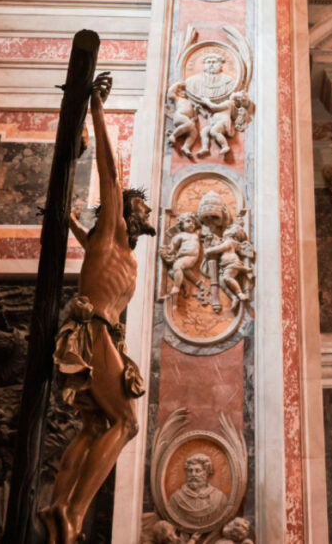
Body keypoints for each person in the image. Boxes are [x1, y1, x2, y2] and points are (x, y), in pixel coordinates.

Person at [42, 72, 156, 544]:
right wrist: (96, 108)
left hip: (103, 335)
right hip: (94, 333)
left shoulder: (112, 248)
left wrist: (65, 218)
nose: (149, 217)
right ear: (127, 211)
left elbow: (77, 233)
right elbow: (110, 173)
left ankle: (58, 508)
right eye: (143, 210)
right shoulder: (111, 231)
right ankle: (75, 515)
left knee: (93, 428)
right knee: (126, 423)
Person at [167, 454, 227, 527]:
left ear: (206, 472)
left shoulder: (219, 498)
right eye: (190, 471)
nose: (193, 474)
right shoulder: (176, 498)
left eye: (198, 471)